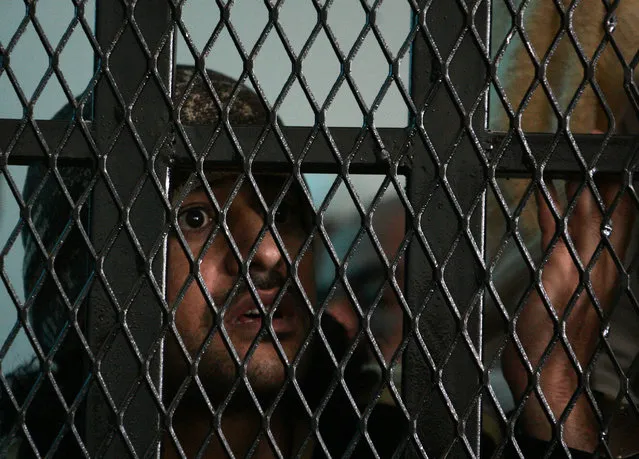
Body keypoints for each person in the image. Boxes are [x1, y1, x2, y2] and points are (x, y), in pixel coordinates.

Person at [0, 66, 633, 457]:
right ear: (83, 268)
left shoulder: (401, 446)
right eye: (195, 218)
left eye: (284, 209)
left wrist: (555, 374)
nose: (271, 252)